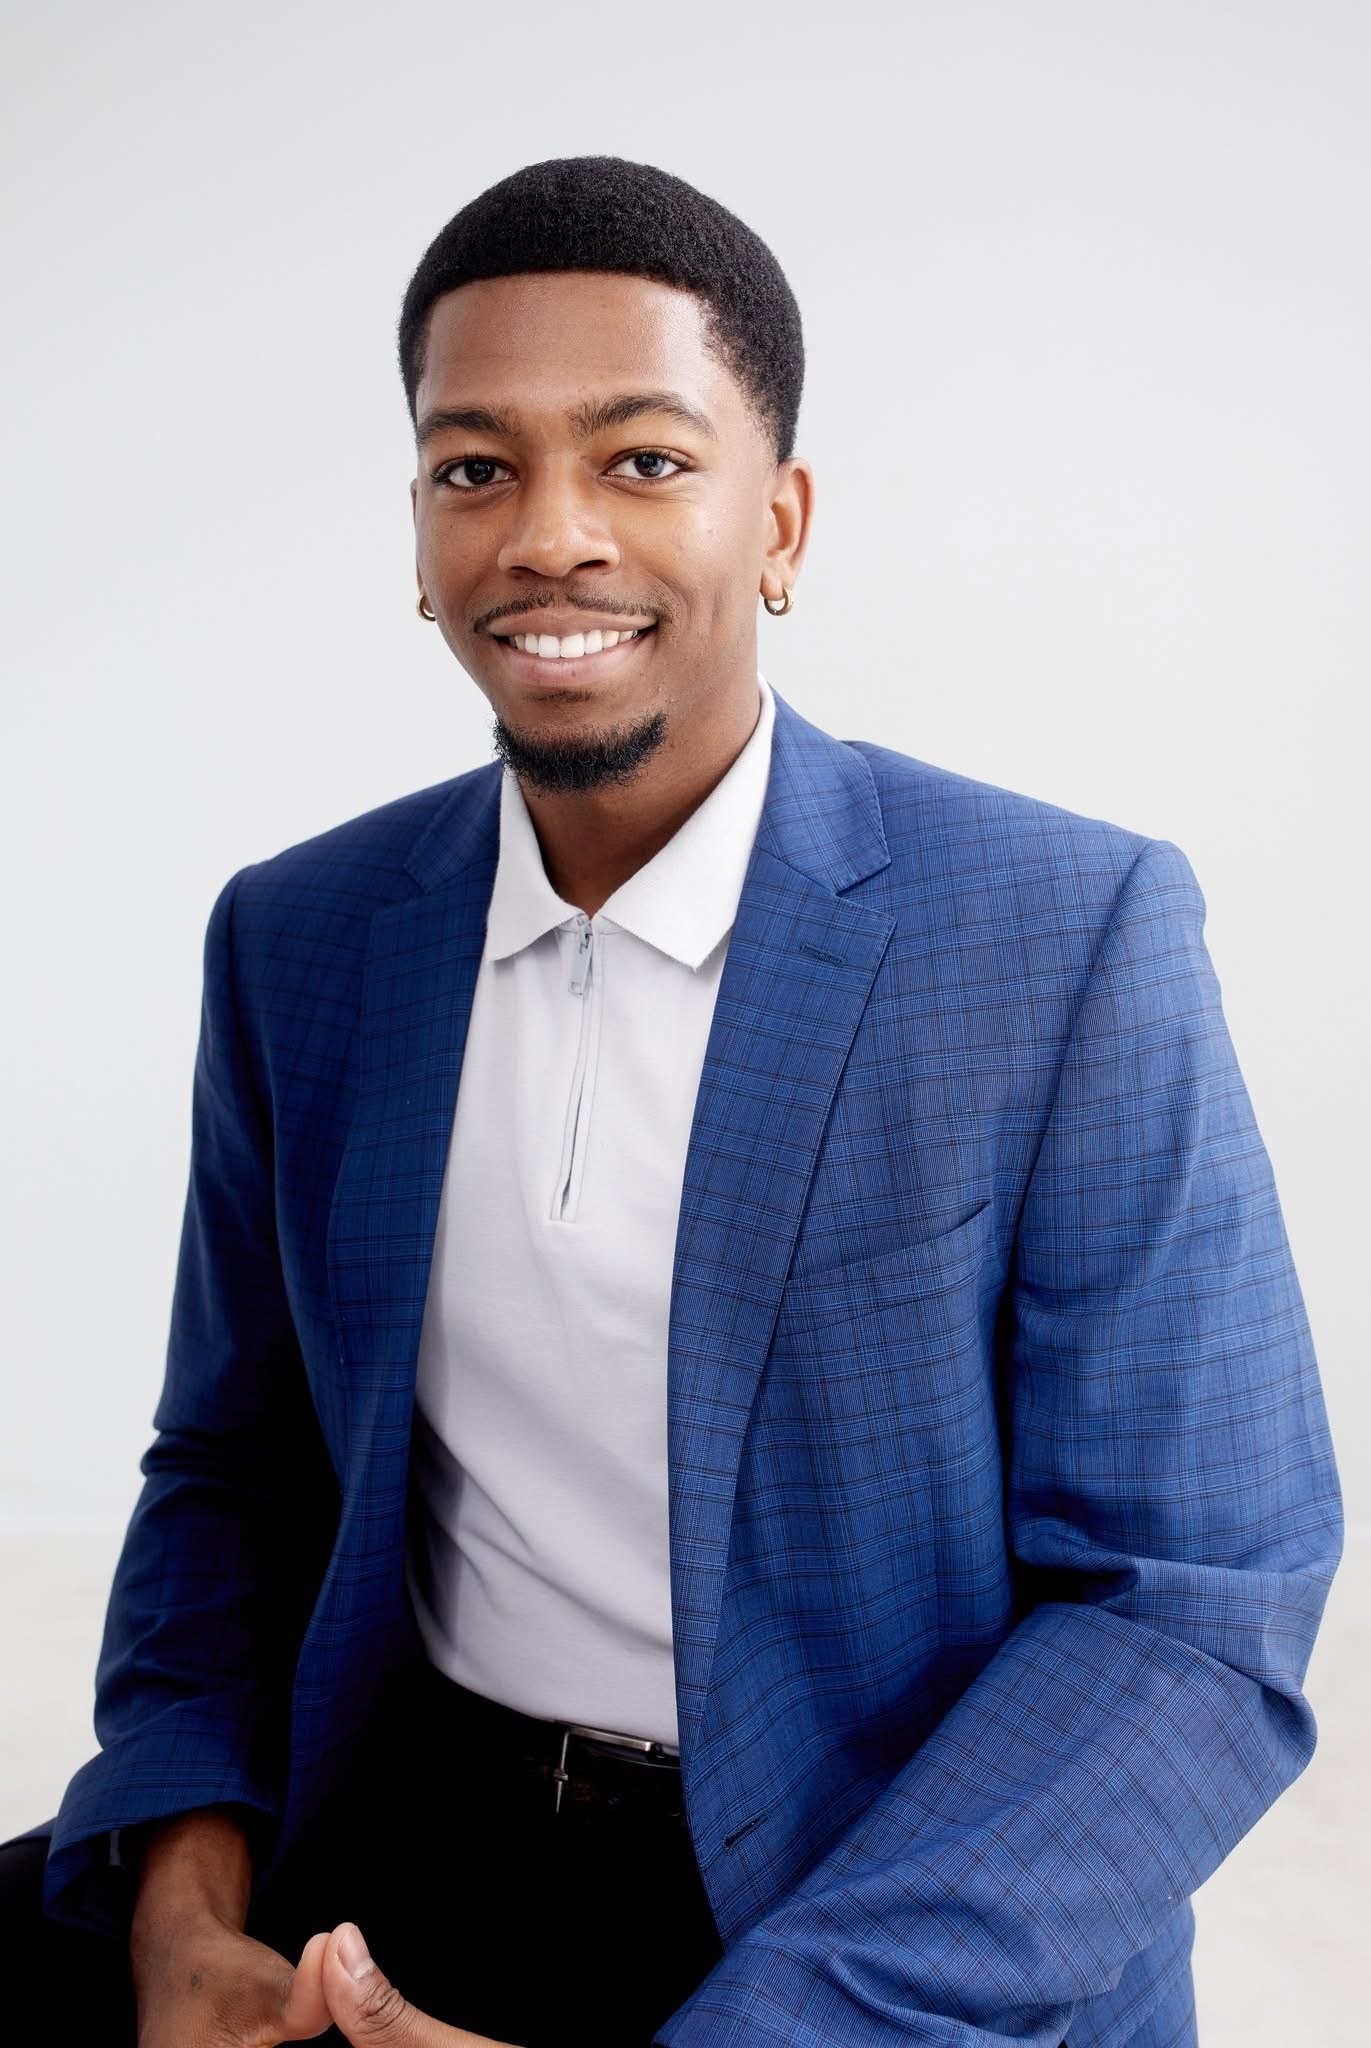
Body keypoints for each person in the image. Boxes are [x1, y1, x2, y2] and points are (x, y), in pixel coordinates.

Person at [0, 154, 1343, 2048]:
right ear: (416, 535)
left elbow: (1193, 1609)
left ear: (780, 523)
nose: (550, 534)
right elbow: (234, 1466)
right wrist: (181, 1902)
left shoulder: (1062, 933)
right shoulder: (301, 940)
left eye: (643, 460)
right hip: (410, 1827)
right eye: (478, 469)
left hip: (855, 1898)